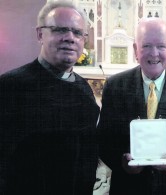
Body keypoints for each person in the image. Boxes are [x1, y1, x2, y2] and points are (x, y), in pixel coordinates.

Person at [98, 17, 166, 195]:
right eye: (146, 45)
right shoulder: (115, 86)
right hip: (126, 187)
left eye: (161, 46)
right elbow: (104, 139)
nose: (154, 53)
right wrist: (122, 162)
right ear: (135, 50)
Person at [0, 1, 100, 195]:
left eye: (77, 32)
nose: (70, 38)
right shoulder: (10, 87)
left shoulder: (84, 90)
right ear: (40, 34)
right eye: (60, 30)